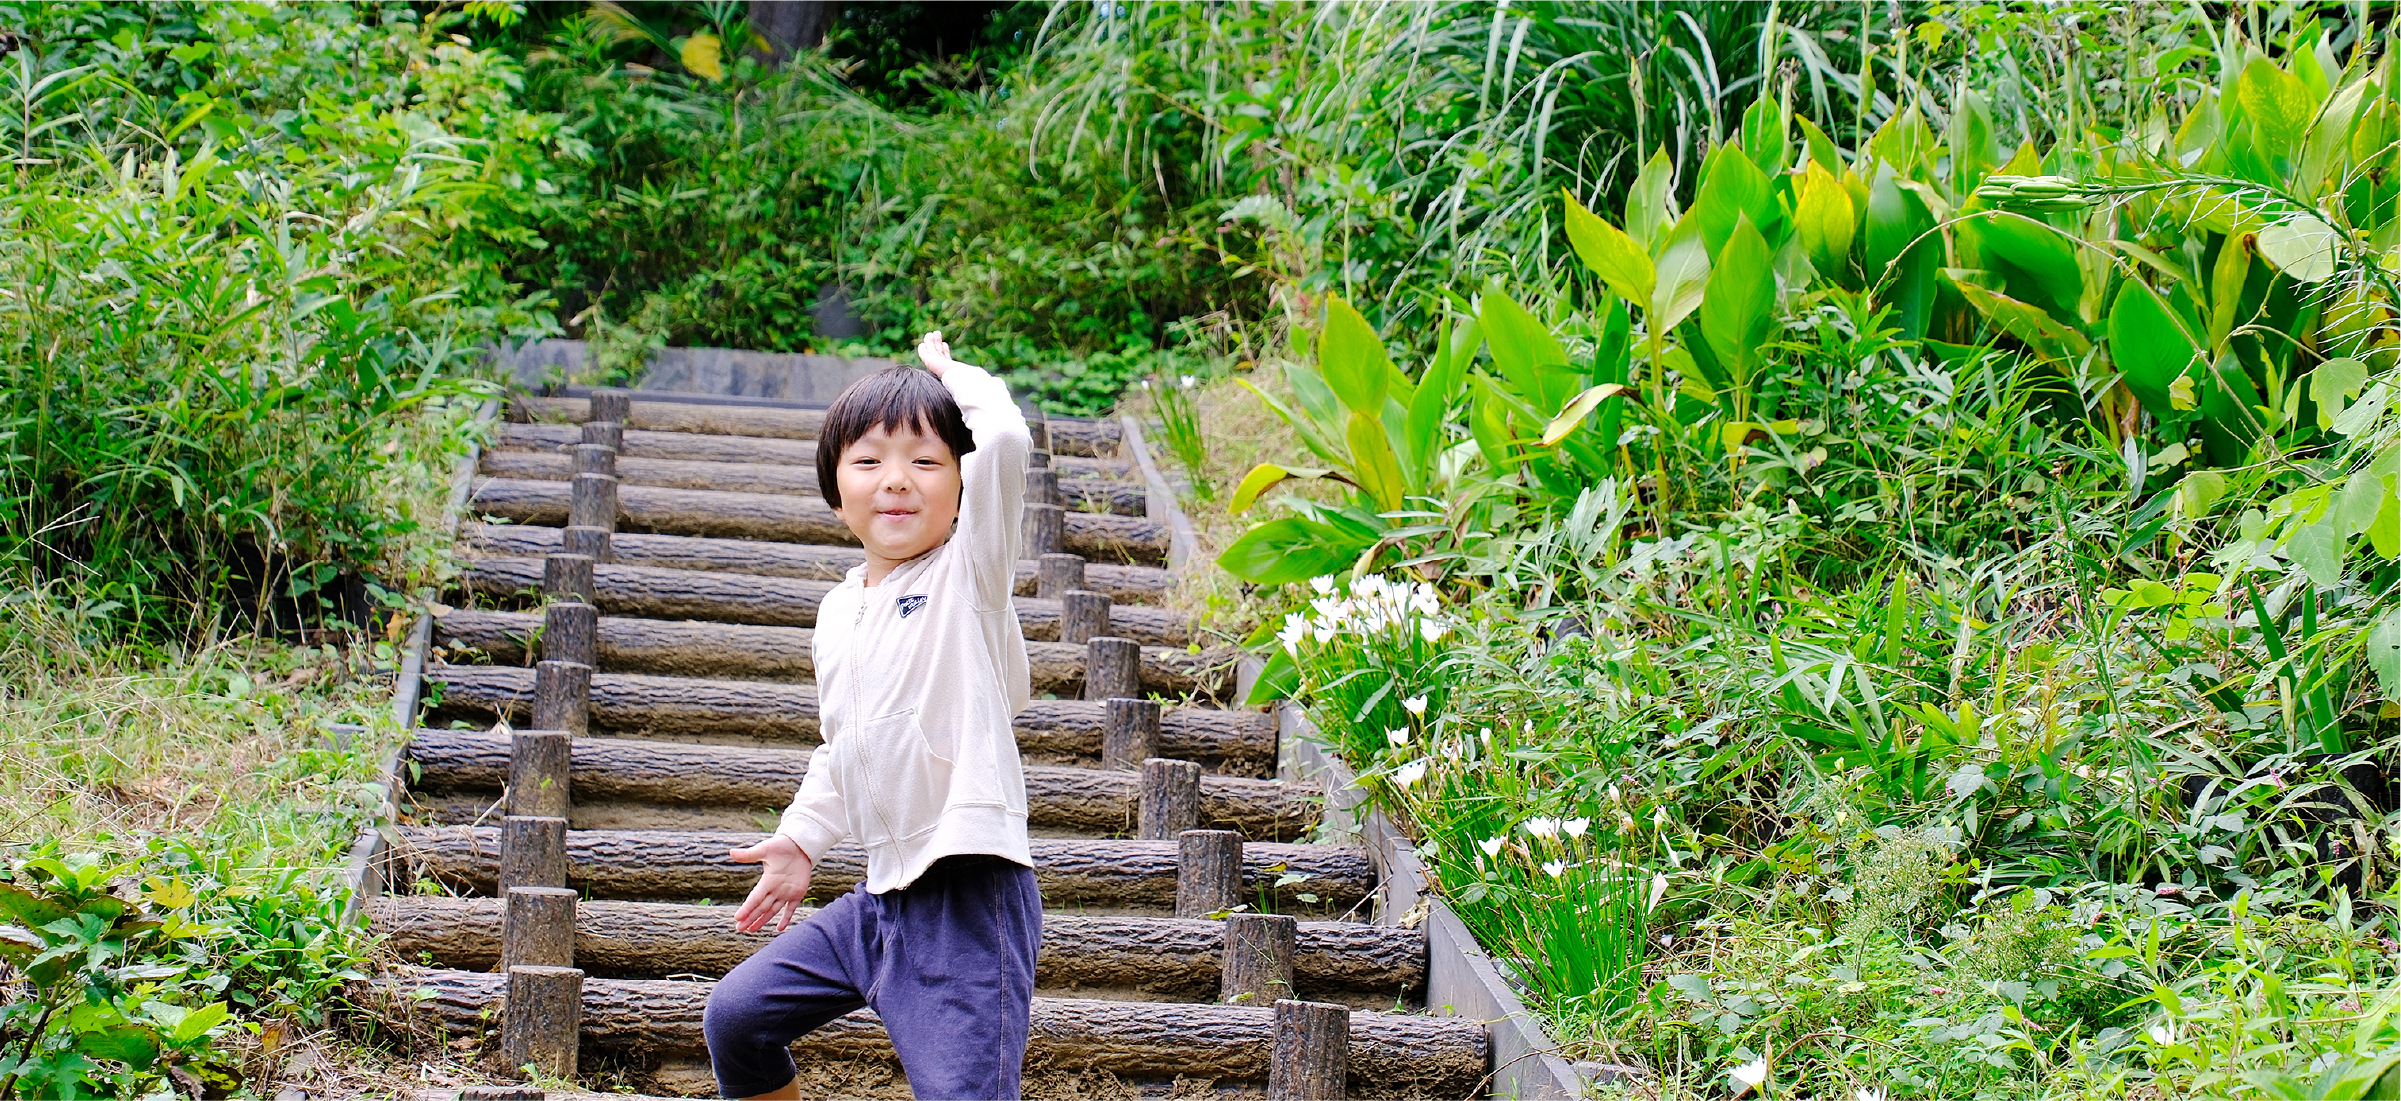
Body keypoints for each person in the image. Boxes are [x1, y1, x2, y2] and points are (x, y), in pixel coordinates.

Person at [702, 332, 1040, 1100]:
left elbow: (1008, 439)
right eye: (869, 462)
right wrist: (801, 837)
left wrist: (952, 375)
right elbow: (844, 744)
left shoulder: (969, 575)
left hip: (967, 899)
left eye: (926, 462)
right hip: (878, 903)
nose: (897, 481)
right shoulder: (837, 610)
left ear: (961, 487)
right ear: (834, 490)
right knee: (737, 1016)